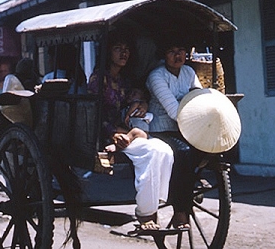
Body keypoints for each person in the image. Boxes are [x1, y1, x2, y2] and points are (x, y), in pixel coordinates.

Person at [87, 34, 173, 231]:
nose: (123, 52)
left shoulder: (125, 80)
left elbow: (136, 98)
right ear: (108, 52)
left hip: (127, 133)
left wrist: (140, 103)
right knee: (150, 154)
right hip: (105, 135)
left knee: (165, 150)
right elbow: (93, 113)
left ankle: (155, 201)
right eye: (118, 47)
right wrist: (111, 134)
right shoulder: (98, 78)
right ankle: (145, 213)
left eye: (126, 48)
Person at [145, 41, 204, 229]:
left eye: (181, 50)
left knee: (210, 146)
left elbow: (200, 98)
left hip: (184, 129)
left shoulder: (188, 72)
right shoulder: (157, 76)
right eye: (172, 51)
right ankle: (180, 210)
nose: (177, 55)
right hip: (160, 130)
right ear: (164, 55)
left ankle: (190, 180)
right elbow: (173, 111)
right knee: (184, 151)